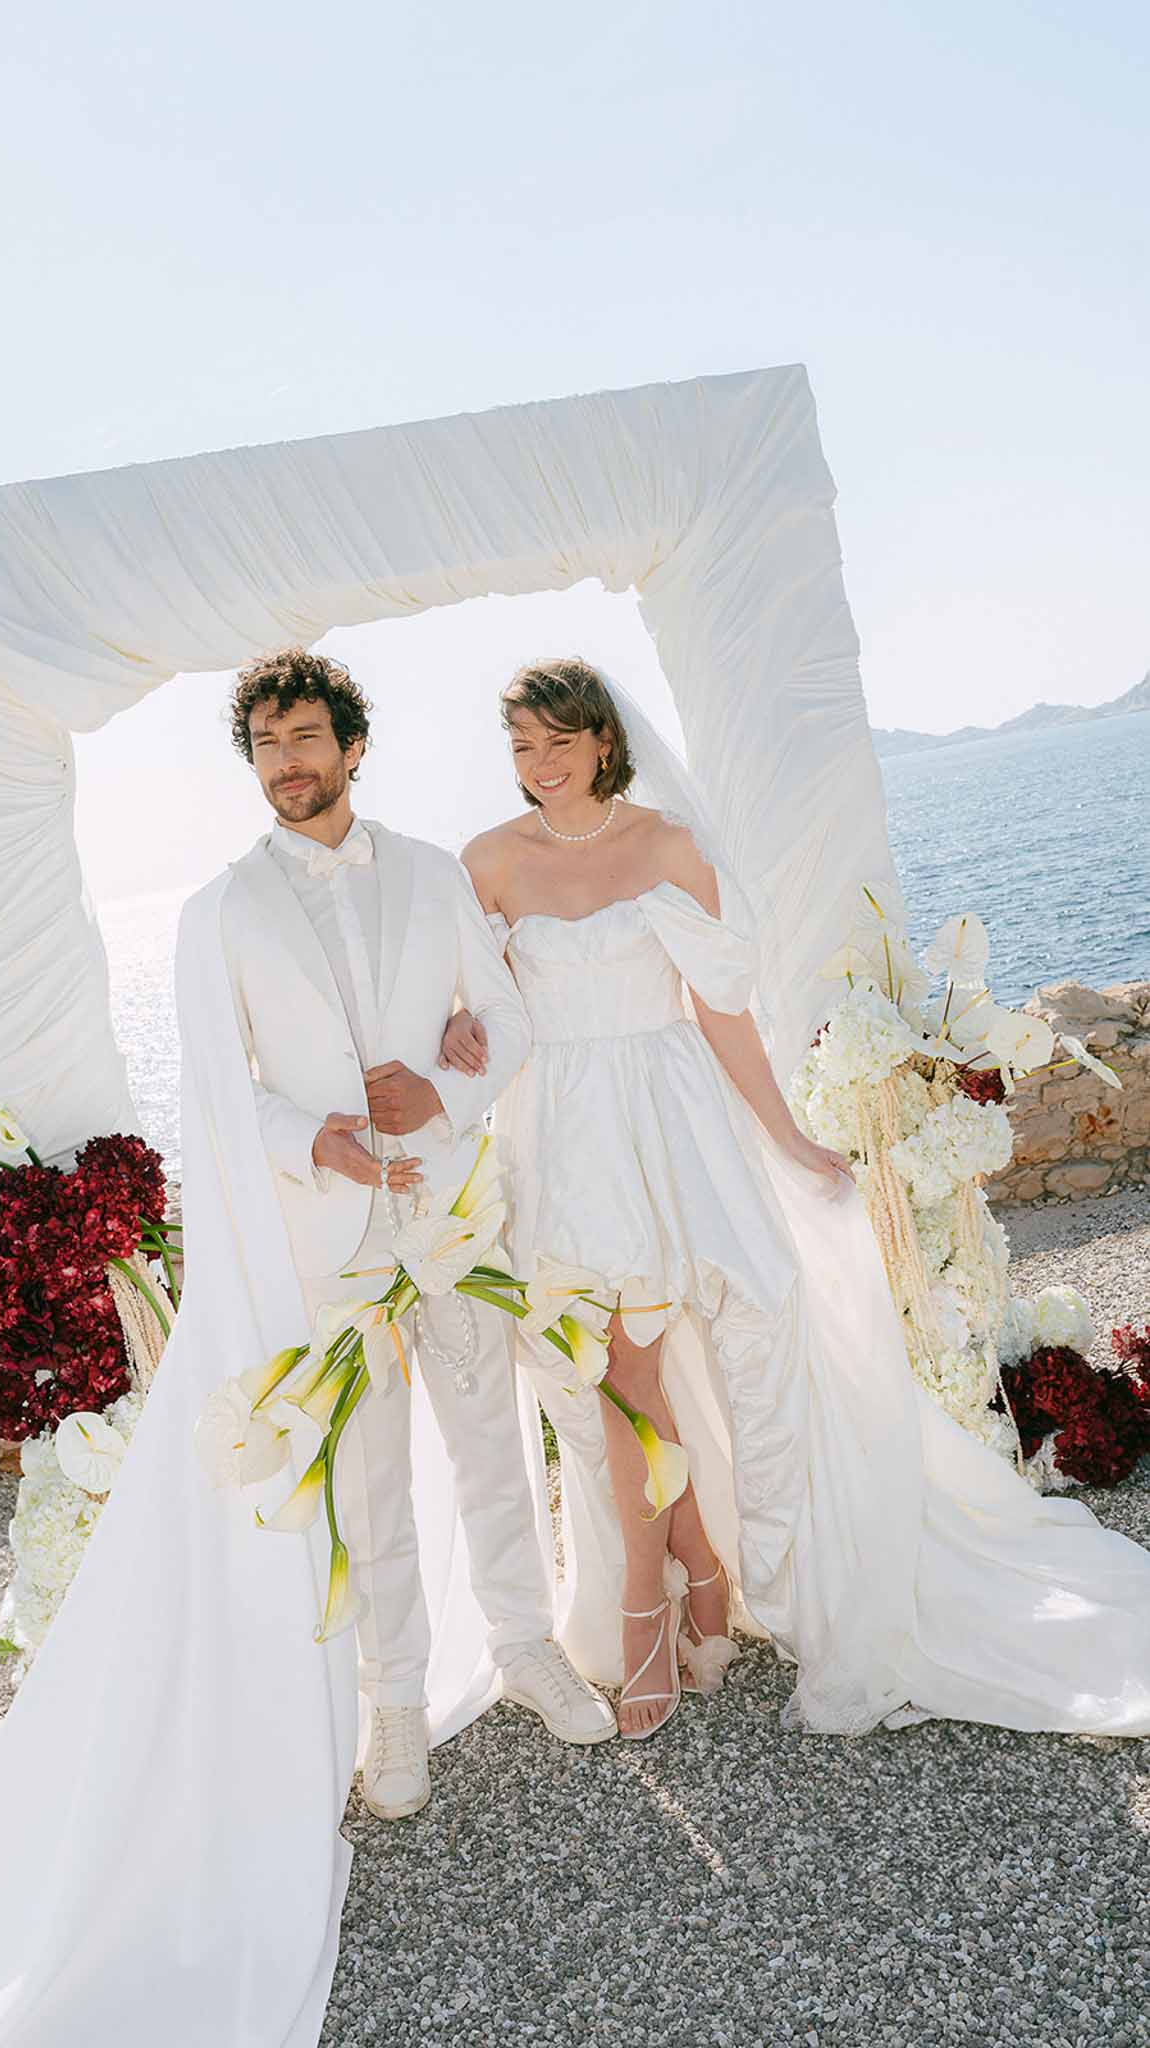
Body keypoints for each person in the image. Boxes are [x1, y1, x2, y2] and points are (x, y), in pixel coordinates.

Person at [442, 656, 1150, 1743]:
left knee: (686, 1347)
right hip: (561, 1127)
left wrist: (786, 1134)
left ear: (600, 739)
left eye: (558, 742)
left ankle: (683, 1587)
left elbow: (720, 1010)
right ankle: (682, 1570)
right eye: (522, 747)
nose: (541, 766)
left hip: (672, 1117)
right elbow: (475, 1005)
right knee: (613, 1368)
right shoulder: (486, 861)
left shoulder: (668, 847)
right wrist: (454, 1042)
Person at [223, 647, 614, 1813]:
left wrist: (443, 1095)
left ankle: (523, 1639)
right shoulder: (227, 908)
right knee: (370, 1472)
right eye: (265, 745)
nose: (286, 764)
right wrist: (312, 1135)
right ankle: (393, 1697)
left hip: (447, 1213)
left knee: (493, 1441)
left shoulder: (438, 873)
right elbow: (221, 1085)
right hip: (332, 1243)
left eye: (304, 738)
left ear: (351, 745)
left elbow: (509, 1017)